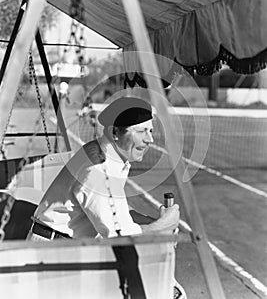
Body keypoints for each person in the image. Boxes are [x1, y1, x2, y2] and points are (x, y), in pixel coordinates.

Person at [27, 96, 180, 240]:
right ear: (115, 133)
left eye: (150, 131)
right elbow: (120, 236)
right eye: (141, 132)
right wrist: (163, 226)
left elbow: (116, 210)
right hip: (54, 250)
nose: (150, 139)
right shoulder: (99, 168)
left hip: (63, 244)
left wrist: (152, 222)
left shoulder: (110, 156)